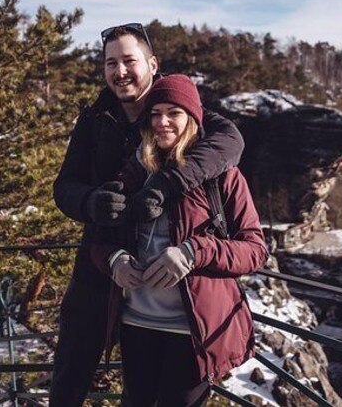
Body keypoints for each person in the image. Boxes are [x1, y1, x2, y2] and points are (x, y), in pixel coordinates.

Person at [50, 24, 245, 406]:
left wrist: (166, 184)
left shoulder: (182, 111)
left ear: (152, 64)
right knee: (71, 371)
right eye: (110, 63)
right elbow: (64, 188)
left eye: (129, 61)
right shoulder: (94, 121)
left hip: (173, 289)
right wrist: (91, 202)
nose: (120, 71)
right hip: (101, 262)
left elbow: (230, 142)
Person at [91, 74, 268, 406]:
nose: (163, 122)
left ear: (192, 119)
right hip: (135, 326)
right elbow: (99, 242)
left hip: (193, 333)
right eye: (155, 113)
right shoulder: (131, 175)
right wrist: (115, 260)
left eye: (174, 112)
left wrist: (192, 252)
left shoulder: (222, 177)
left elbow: (256, 251)